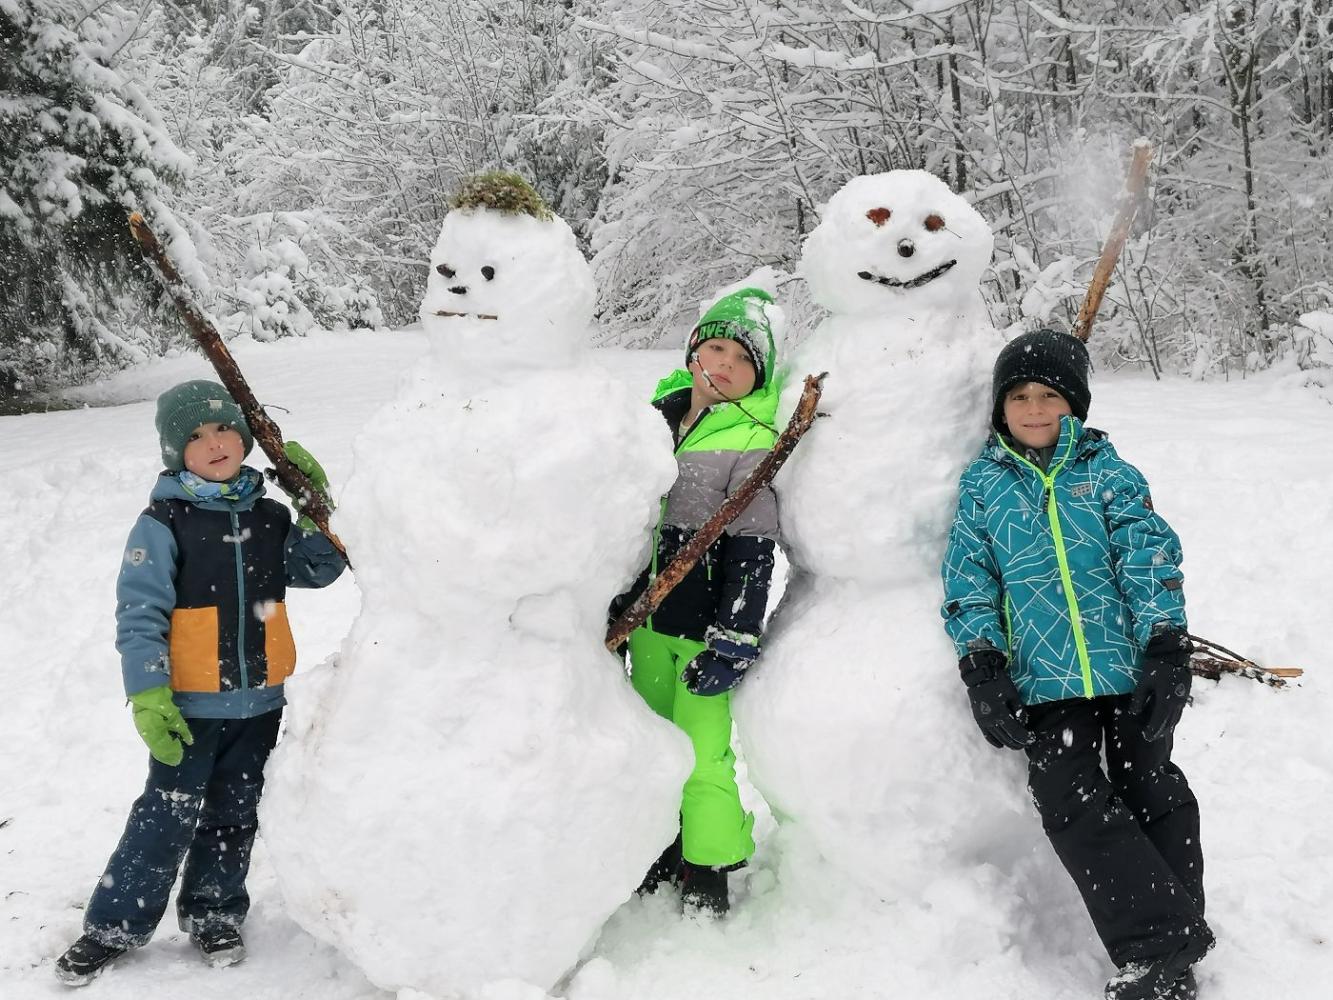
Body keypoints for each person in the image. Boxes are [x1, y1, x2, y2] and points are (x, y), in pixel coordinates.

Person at [940, 329, 1214, 1000]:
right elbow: (969, 579)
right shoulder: (982, 486)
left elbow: (1149, 560)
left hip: (1128, 668)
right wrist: (982, 666)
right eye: (1019, 397)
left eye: (1050, 396)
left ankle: (1169, 953)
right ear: (1000, 408)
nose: (1034, 409)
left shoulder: (1109, 474)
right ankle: (1164, 940)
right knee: (1067, 798)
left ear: (1075, 405)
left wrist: (1166, 648)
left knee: (1150, 784)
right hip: (1044, 678)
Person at [55, 380, 347, 986]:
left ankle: (214, 912)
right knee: (166, 815)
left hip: (260, 700)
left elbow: (318, 569)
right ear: (175, 452)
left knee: (235, 813)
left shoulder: (269, 515)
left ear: (243, 437)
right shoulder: (164, 522)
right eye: (194, 435)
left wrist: (316, 506)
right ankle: (114, 926)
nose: (214, 442)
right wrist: (148, 692)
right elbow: (140, 614)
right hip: (188, 704)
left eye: (223, 428)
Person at [612, 287, 781, 915]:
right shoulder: (652, 421)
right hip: (646, 625)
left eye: (742, 360)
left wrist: (735, 637)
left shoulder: (751, 437)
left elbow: (752, 548)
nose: (726, 365)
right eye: (716, 350)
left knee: (703, 753)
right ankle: (659, 847)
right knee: (651, 747)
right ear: (692, 356)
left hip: (702, 630)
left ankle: (709, 864)